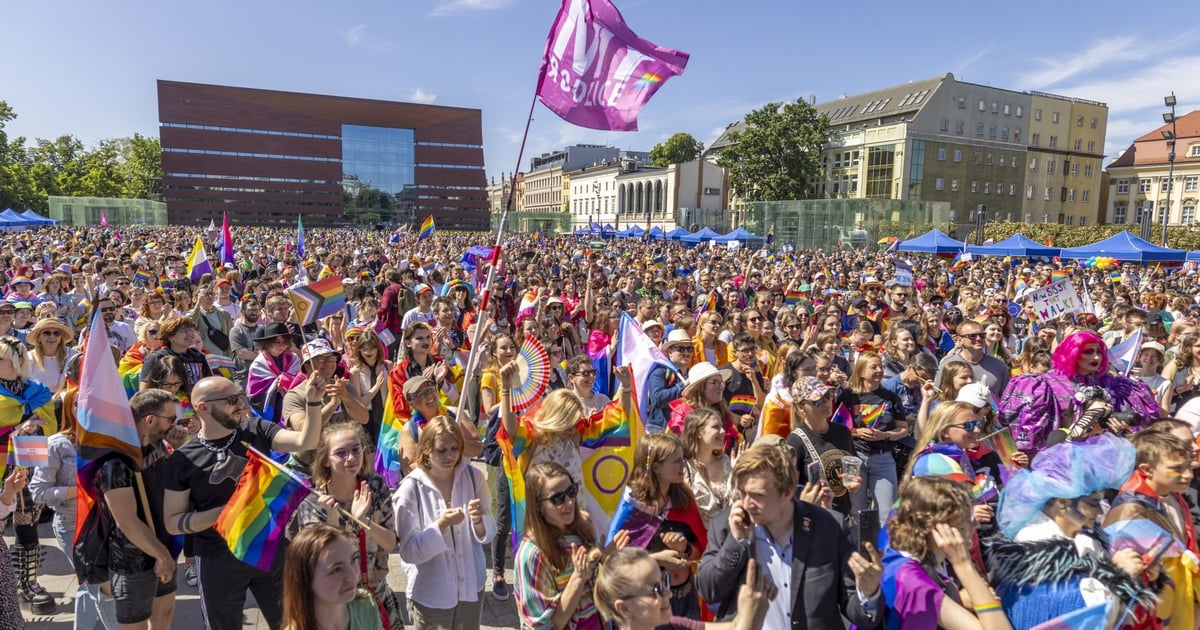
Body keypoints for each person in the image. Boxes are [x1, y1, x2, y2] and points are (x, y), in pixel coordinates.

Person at [163, 375, 327, 630]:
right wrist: (227, 512)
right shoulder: (183, 460)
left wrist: (314, 403)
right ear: (202, 407)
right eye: (231, 400)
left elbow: (306, 441)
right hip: (217, 558)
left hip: (270, 547)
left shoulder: (255, 429)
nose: (240, 403)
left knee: (295, 623)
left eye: (240, 396)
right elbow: (173, 523)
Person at [695, 444, 884, 629]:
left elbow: (858, 612)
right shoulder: (726, 525)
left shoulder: (829, 526)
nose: (747, 504)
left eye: (757, 495)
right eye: (742, 493)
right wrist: (736, 542)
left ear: (787, 492)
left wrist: (868, 592)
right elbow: (709, 591)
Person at [989, 434, 1154, 627]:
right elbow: (1088, 618)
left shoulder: (1082, 542)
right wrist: (1118, 573)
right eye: (1092, 503)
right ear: (1063, 505)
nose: (1100, 511)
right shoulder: (1035, 554)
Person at [30, 353, 119, 629]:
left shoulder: (109, 439)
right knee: (100, 584)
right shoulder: (57, 444)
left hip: (108, 523)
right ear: (70, 408)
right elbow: (38, 492)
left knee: (89, 585)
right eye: (82, 405)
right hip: (72, 525)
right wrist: (78, 491)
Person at [289, 423, 400, 629]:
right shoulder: (314, 502)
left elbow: (390, 542)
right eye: (340, 453)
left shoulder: (375, 486)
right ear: (325, 460)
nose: (351, 458)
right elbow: (319, 564)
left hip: (378, 594)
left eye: (356, 449)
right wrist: (333, 523)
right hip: (338, 603)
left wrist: (364, 522)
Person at [394, 415, 495, 629]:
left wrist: (478, 522)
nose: (450, 456)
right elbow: (408, 551)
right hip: (431, 594)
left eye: (455, 448)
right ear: (427, 449)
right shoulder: (411, 488)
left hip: (470, 587)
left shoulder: (473, 476)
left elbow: (489, 526)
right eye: (441, 450)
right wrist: (440, 526)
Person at [881, 476, 1014, 630]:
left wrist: (960, 599)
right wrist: (964, 566)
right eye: (967, 519)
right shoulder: (912, 580)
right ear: (941, 529)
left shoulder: (919, 557)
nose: (975, 524)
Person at [999, 329, 1159, 456]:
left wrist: (1121, 431)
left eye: (1099, 352)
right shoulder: (1042, 385)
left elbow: (1145, 426)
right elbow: (1027, 439)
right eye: (1088, 352)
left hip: (1102, 461)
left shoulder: (1114, 384)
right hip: (1061, 463)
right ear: (1072, 353)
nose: (1096, 356)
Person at [98, 389, 180, 630]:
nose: (174, 425)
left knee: (164, 613)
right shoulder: (115, 460)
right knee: (136, 626)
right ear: (150, 420)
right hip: (132, 558)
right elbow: (127, 521)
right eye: (171, 419)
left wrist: (180, 448)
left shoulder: (157, 446)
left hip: (162, 544)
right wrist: (161, 555)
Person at [609, 432, 707, 618]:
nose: (683, 467)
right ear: (655, 467)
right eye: (676, 461)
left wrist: (685, 548)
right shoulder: (632, 508)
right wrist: (658, 559)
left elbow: (700, 548)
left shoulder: (683, 498)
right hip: (650, 602)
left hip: (686, 597)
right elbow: (615, 563)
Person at [0, 336, 57, 614]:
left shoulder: (37, 389)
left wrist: (35, 428)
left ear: (17, 360)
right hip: (0, 465)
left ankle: (28, 583)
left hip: (30, 460)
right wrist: (16, 429)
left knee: (27, 520)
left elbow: (51, 424)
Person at [513, 462, 607, 630]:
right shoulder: (532, 554)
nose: (570, 502)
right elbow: (546, 626)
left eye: (571, 491)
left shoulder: (583, 525)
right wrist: (578, 578)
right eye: (558, 498)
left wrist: (606, 559)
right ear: (539, 506)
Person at [593, 547, 769, 630]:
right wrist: (753, 618)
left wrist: (752, 592)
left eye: (664, 582)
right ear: (624, 608)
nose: (668, 593)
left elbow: (732, 627)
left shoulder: (670, 626)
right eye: (657, 590)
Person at [281, 339, 368, 477]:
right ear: (308, 366)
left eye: (332, 358)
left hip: (341, 465)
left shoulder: (344, 386)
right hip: (307, 469)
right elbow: (303, 430)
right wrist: (332, 404)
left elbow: (364, 418)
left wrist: (346, 397)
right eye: (321, 359)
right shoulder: (295, 396)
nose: (328, 363)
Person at [837, 351, 909, 517]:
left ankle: (884, 543)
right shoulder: (849, 396)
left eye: (881, 367)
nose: (879, 370)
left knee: (888, 513)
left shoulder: (890, 397)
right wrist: (856, 432)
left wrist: (885, 435)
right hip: (856, 457)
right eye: (874, 367)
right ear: (861, 371)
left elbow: (903, 428)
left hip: (883, 459)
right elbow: (837, 427)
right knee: (857, 512)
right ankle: (859, 543)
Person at [281, 525, 385, 630]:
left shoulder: (364, 604)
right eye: (336, 569)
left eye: (353, 559)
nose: (352, 575)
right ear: (305, 579)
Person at [786, 376, 859, 518]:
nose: (826, 402)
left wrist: (854, 482)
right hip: (814, 519)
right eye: (817, 401)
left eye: (827, 395)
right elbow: (789, 490)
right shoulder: (795, 442)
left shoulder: (843, 432)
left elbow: (852, 469)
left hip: (842, 516)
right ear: (801, 408)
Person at [682, 408, 735, 535]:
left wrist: (737, 475)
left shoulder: (726, 461)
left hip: (727, 537)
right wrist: (706, 484)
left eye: (722, 426)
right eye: (716, 427)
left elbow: (734, 506)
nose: (723, 431)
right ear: (699, 432)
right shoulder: (684, 466)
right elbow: (700, 513)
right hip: (697, 542)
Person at [935, 320, 1010, 399]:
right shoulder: (948, 364)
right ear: (959, 339)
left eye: (982, 335)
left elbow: (1006, 399)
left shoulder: (999, 366)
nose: (978, 338)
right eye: (972, 336)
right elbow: (938, 395)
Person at [248, 322, 304, 424]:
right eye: (276, 341)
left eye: (284, 341)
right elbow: (255, 391)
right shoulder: (258, 364)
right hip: (269, 408)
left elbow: (298, 379)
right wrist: (276, 384)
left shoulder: (294, 358)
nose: (281, 345)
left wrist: (283, 381)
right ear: (267, 343)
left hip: (290, 402)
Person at [138, 316, 213, 392]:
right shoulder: (157, 358)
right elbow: (144, 391)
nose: (190, 333)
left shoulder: (199, 357)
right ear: (170, 336)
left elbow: (210, 382)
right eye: (184, 330)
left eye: (191, 329)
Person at [646, 330, 689, 433]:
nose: (686, 353)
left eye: (689, 349)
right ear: (670, 352)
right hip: (660, 429)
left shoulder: (692, 373)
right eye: (681, 349)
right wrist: (683, 385)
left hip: (684, 429)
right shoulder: (660, 371)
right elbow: (657, 399)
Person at [27, 317, 77, 394]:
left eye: (57, 333)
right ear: (39, 337)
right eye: (47, 333)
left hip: (65, 402)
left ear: (61, 338)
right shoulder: (28, 358)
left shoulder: (73, 356)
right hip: (38, 402)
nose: (52, 336)